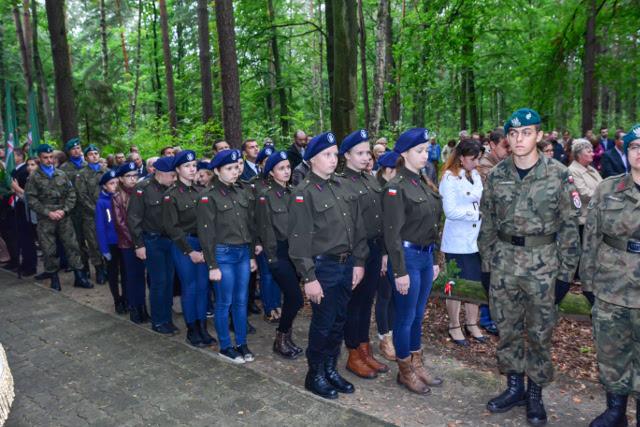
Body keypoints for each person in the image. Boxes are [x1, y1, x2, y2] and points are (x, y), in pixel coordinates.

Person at [478, 108, 580, 426]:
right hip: (504, 264)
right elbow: (488, 223)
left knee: (539, 333)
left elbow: (569, 228)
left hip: (543, 266)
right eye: (513, 133)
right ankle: (514, 388)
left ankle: (535, 395)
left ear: (539, 135)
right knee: (507, 330)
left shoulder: (559, 174)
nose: (519, 139)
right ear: (507, 138)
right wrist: (487, 266)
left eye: (526, 133)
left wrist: (565, 275)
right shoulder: (497, 175)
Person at [288, 131, 368, 399]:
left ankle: (331, 369)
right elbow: (298, 241)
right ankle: (315, 374)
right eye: (326, 155)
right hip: (323, 268)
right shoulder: (303, 193)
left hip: (347, 265)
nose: (333, 159)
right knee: (323, 323)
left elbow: (357, 227)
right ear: (312, 159)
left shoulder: (343, 186)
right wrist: (309, 277)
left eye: (335, 154)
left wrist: (359, 261)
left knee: (339, 321)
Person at [581, 124, 640, 427]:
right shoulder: (608, 188)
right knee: (611, 352)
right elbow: (591, 236)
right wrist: (588, 281)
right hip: (611, 286)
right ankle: (616, 411)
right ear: (626, 152)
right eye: (635, 147)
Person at [383, 128, 444, 395]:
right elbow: (392, 235)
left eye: (426, 150)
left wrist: (435, 258)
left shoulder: (424, 182)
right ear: (404, 153)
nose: (425, 155)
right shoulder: (395, 187)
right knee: (405, 317)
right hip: (406, 258)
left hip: (425, 257)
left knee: (418, 315)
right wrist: (399, 271)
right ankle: (405, 370)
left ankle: (417, 363)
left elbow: (434, 225)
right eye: (419, 151)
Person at [337, 129, 390, 379]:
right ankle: (353, 354)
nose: (366, 157)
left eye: (367, 153)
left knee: (367, 301)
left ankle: (364, 349)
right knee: (354, 304)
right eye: (359, 153)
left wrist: (384, 252)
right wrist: (358, 259)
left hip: (375, 248)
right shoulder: (342, 183)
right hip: (356, 252)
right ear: (346, 155)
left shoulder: (370, 179)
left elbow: (381, 219)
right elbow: (349, 227)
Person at [197, 149, 257, 363]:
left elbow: (250, 226)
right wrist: (212, 265)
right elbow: (206, 233)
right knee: (224, 302)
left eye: (236, 167)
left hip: (243, 252)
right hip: (223, 254)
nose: (235, 172)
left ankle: (241, 343)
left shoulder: (242, 191)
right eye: (229, 168)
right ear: (216, 171)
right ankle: (225, 346)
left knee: (241, 301)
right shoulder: (208, 197)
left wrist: (251, 255)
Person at [162, 150, 215, 348]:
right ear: (177, 169)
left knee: (203, 287)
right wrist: (189, 251)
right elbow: (172, 228)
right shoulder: (171, 195)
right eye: (187, 166)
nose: (192, 169)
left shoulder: (200, 191)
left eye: (194, 166)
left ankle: (202, 327)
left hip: (203, 244)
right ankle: (192, 330)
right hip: (184, 245)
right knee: (190, 288)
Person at [255, 150, 304, 359]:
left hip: (296, 254)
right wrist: (272, 258)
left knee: (291, 298)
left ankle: (286, 337)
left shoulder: (294, 192)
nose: (286, 171)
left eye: (288, 167)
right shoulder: (265, 196)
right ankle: (280, 338)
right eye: (281, 168)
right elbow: (264, 229)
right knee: (295, 298)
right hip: (279, 253)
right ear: (271, 172)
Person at [24, 144, 93, 291]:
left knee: (72, 246)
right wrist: (47, 212)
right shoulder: (34, 177)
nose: (49, 160)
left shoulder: (61, 174)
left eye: (51, 157)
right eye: (45, 158)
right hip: (46, 218)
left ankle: (79, 277)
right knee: (49, 249)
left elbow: (71, 193)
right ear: (40, 159)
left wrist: (65, 210)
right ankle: (54, 278)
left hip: (64, 216)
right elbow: (31, 199)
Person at [440, 140, 486, 346]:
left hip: (475, 240)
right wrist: (474, 214)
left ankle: (472, 323)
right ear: (461, 157)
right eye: (473, 159)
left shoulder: (474, 175)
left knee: (475, 282)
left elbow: (479, 197)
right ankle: (454, 325)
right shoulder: (449, 178)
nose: (477, 163)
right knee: (456, 284)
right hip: (457, 241)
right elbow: (450, 211)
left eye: (478, 159)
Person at [127, 157, 178, 335]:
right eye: (172, 175)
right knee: (159, 282)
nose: (174, 178)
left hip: (170, 241)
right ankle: (158, 321)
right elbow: (133, 218)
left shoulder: (172, 187)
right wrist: (138, 244)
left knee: (169, 281)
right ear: (160, 173)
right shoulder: (143, 188)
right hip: (152, 241)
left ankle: (167, 318)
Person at [112, 161, 148, 324]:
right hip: (128, 243)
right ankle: (135, 309)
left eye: (135, 175)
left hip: (143, 241)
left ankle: (143, 308)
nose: (133, 179)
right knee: (133, 277)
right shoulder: (117, 196)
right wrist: (136, 242)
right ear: (121, 178)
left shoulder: (140, 193)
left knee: (142, 277)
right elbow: (121, 224)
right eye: (128, 176)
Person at [252, 145, 282, 323]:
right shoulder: (254, 185)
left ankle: (277, 305)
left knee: (278, 274)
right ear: (260, 164)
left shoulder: (281, 184)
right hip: (263, 238)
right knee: (267, 275)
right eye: (266, 161)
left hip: (279, 238)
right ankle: (269, 308)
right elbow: (252, 216)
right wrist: (257, 241)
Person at [373, 151, 399, 361]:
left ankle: (390, 332)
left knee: (391, 295)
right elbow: (381, 226)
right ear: (389, 170)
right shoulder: (380, 189)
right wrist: (384, 253)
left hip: (393, 249)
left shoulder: (392, 187)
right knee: (384, 295)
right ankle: (384, 337)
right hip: (381, 250)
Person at [95, 170, 127, 314]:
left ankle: (126, 298)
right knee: (113, 273)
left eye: (116, 183)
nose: (115, 186)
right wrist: (104, 249)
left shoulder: (123, 198)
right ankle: (117, 300)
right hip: (111, 243)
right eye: (111, 183)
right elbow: (100, 227)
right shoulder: (102, 202)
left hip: (124, 241)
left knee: (126, 272)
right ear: (104, 186)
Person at [75, 144, 108, 285]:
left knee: (109, 241)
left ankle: (109, 268)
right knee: (94, 243)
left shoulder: (106, 171)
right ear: (86, 157)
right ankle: (99, 269)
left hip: (108, 214)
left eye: (96, 153)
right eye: (90, 154)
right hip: (91, 215)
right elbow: (81, 196)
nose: (94, 156)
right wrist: (96, 210)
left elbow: (114, 190)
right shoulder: (81, 174)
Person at [59, 138, 90, 272]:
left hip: (89, 209)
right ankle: (84, 268)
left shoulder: (88, 165)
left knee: (94, 239)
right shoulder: (63, 169)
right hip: (74, 210)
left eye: (78, 148)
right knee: (78, 240)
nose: (76, 151)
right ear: (68, 152)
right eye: (73, 149)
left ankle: (101, 268)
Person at [8, 150, 37, 276]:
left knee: (28, 239)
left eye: (32, 165)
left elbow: (29, 196)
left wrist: (17, 189)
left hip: (29, 211)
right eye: (28, 164)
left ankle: (30, 266)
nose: (29, 167)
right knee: (23, 239)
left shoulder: (24, 173)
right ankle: (26, 263)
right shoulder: (18, 171)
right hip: (21, 208)